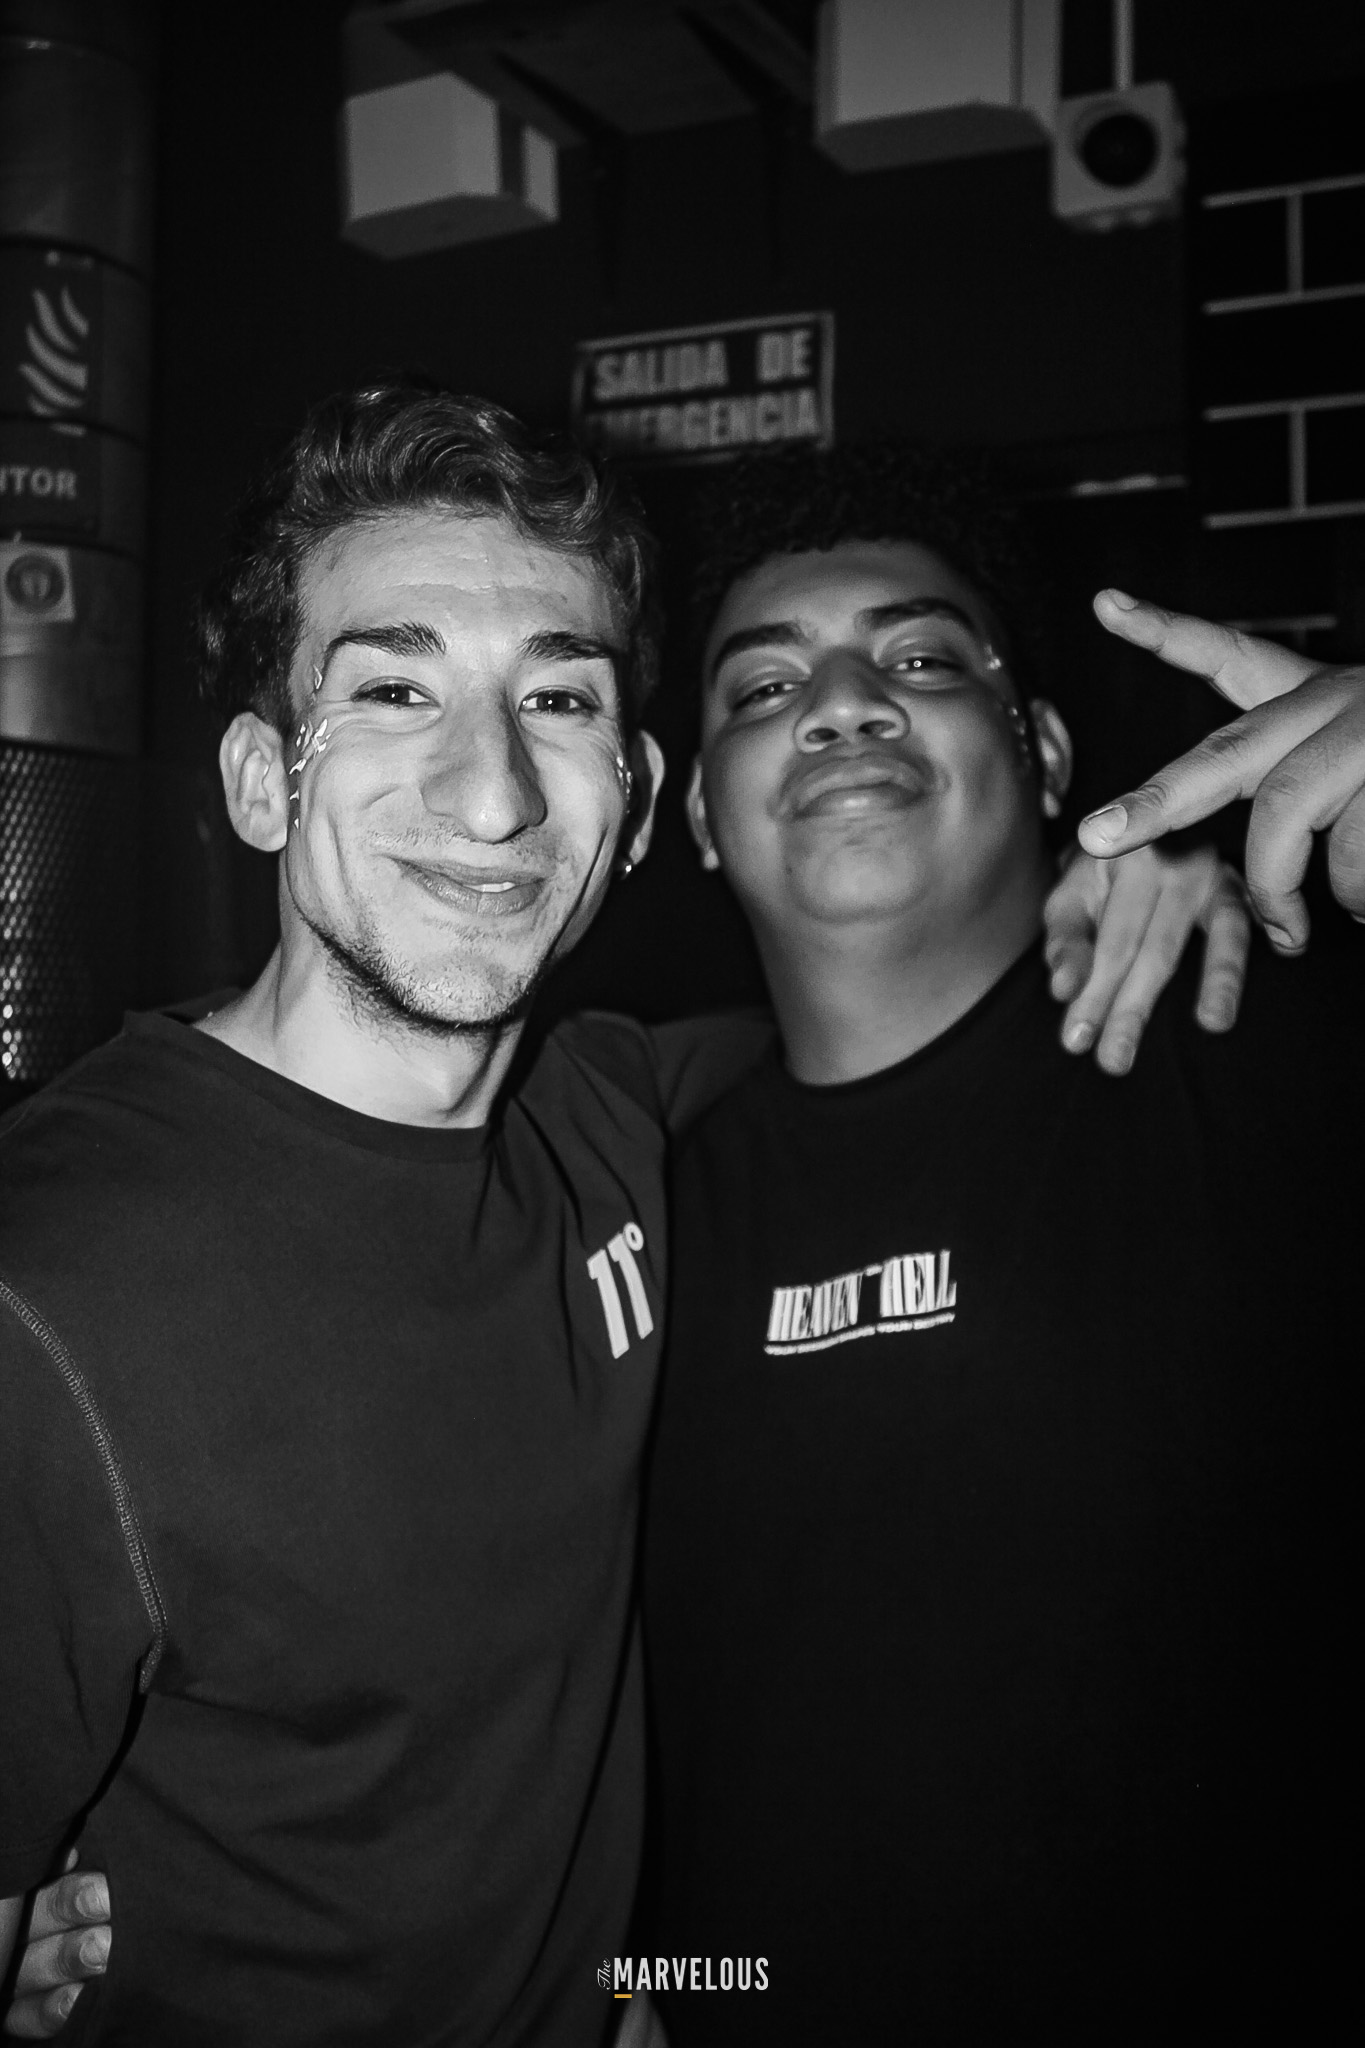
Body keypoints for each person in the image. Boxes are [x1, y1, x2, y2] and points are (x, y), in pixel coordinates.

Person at [0, 398, 1248, 2047]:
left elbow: (873, 1041)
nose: (491, 793)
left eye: (559, 699)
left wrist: (1141, 882)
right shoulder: (55, 1288)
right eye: (391, 689)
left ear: (640, 798)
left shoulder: (614, 1111)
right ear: (256, 781)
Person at [639, 445, 1364, 2044]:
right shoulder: (615, 1199)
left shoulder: (1269, 1055)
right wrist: (626, 1987)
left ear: (1039, 754)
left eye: (916, 659)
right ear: (696, 810)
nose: (841, 703)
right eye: (762, 687)